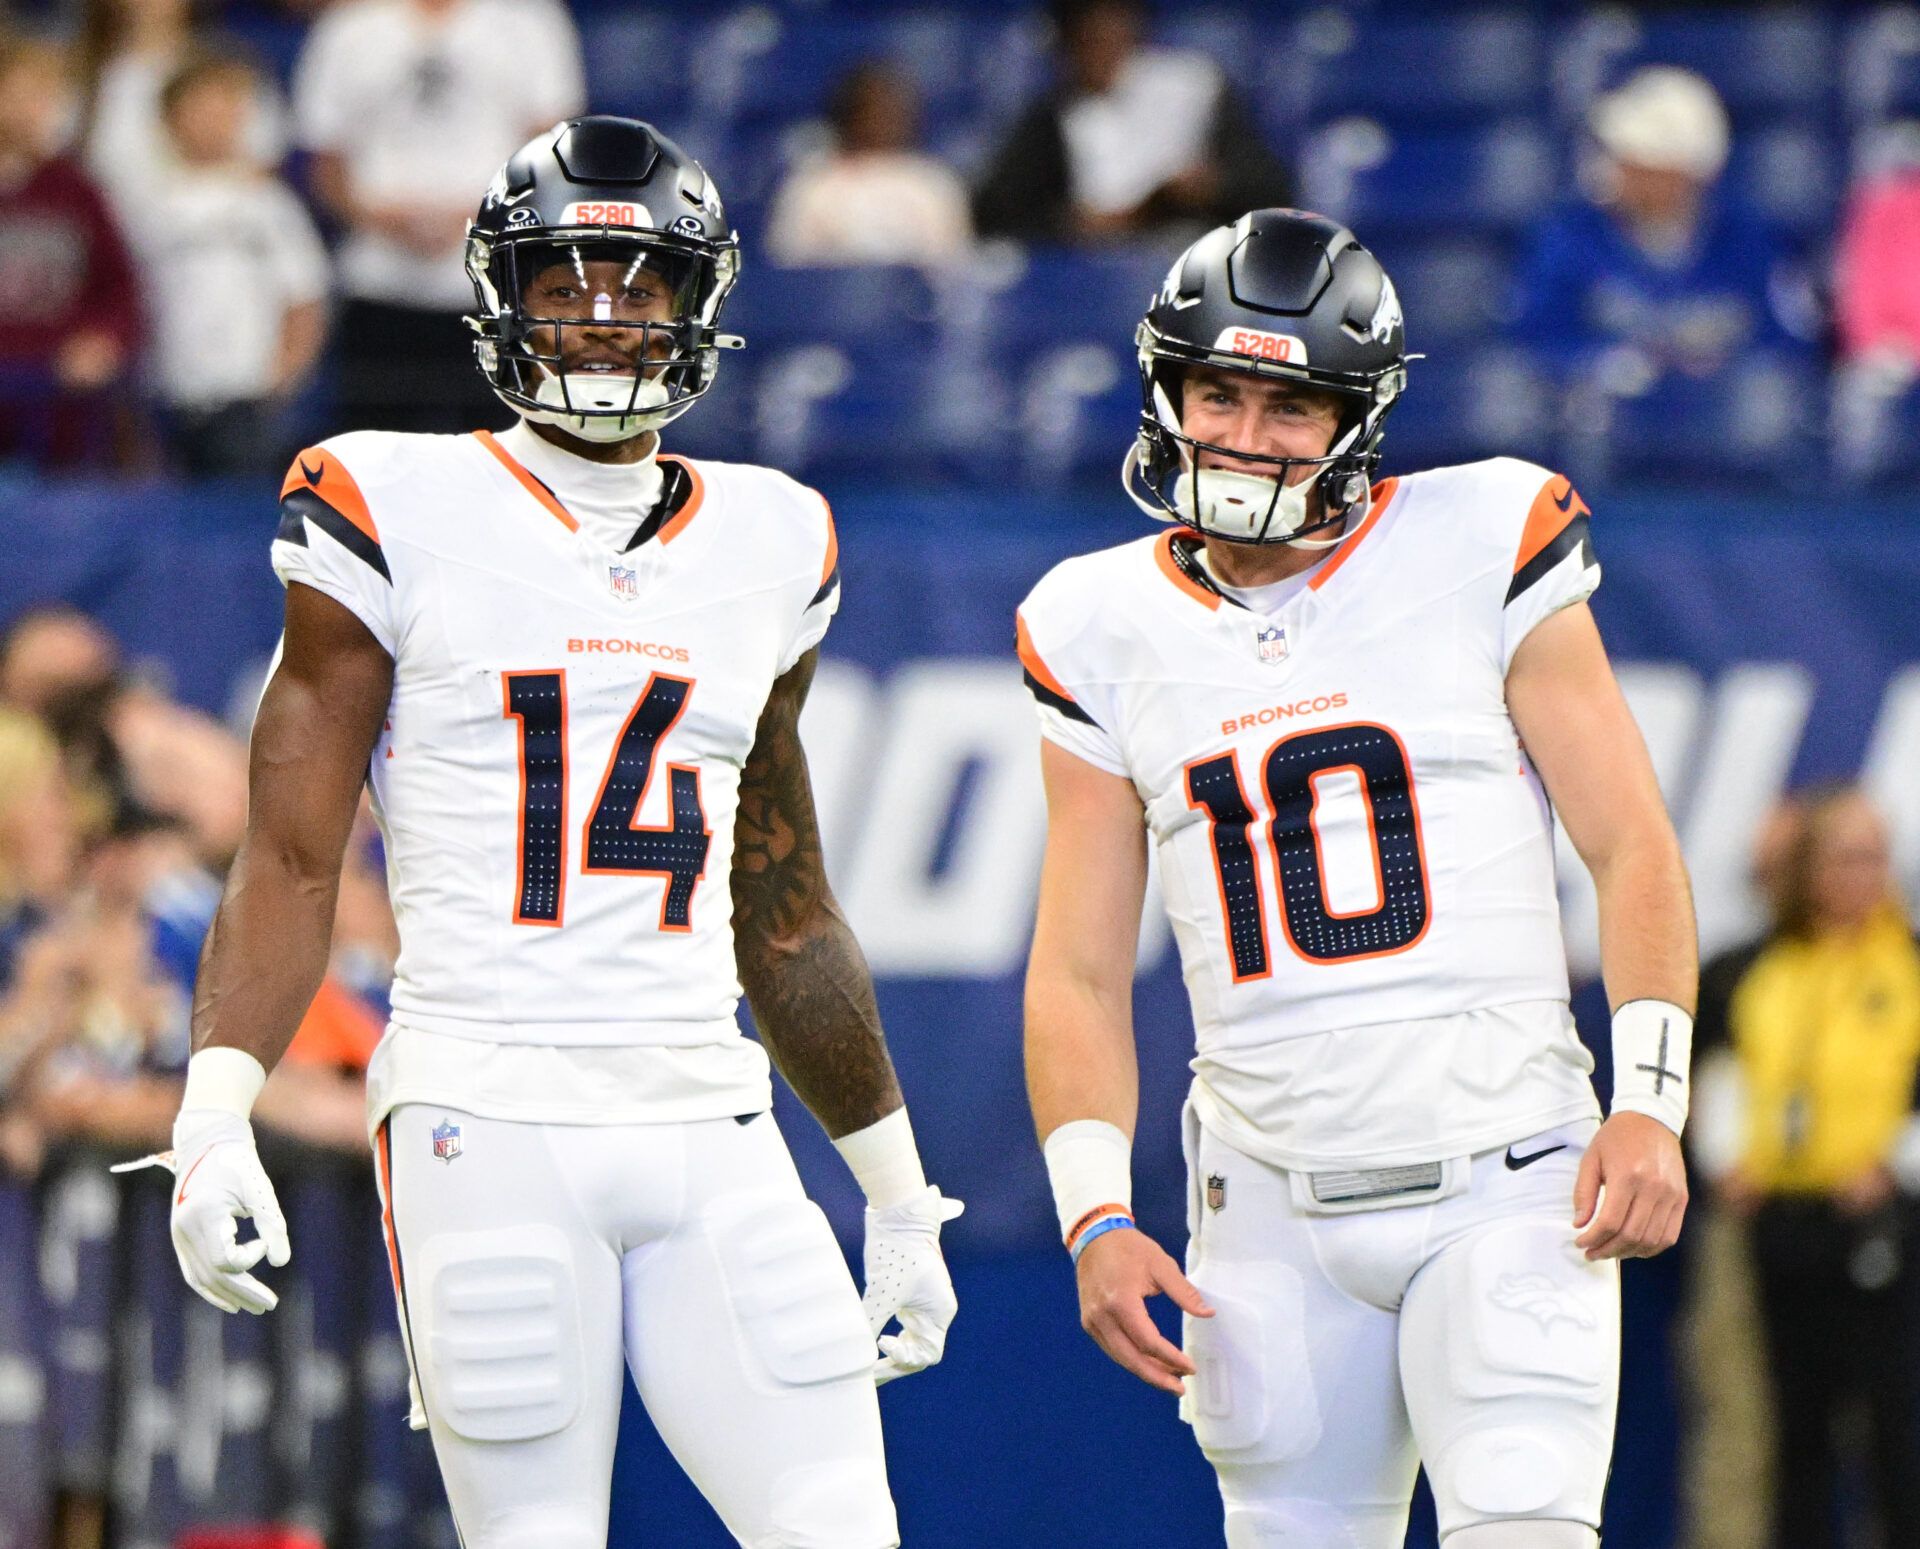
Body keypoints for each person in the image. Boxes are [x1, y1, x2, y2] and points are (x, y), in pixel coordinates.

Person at [129, 117, 960, 1549]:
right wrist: (212, 1113)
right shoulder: (391, 500)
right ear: (499, 292)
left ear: (696, 305)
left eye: (639, 280)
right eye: (566, 274)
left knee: (843, 1528)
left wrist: (895, 1190)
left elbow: (786, 903)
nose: (601, 310)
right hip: (484, 1111)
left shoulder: (776, 538)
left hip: (712, 1110)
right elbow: (289, 855)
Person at [1019, 209, 1695, 1547]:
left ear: (1357, 418)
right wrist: (1092, 1210)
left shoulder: (1481, 533)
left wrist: (1654, 1102)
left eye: (1292, 405)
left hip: (1511, 1174)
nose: (1248, 437)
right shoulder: (1094, 621)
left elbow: (1633, 846)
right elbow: (1080, 967)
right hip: (1267, 1199)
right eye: (1220, 392)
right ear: (1168, 388)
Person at [1712, 786, 1920, 1549]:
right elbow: (1722, 1066)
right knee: (1794, 1428)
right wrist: (1727, 1159)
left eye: (1875, 856)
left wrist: (1894, 1164)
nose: (1863, 873)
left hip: (1888, 1226)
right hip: (1783, 1227)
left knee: (1898, 1426)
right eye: (1845, 856)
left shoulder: (1907, 960)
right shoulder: (1758, 966)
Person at [289, 0, 583, 435]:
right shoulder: (349, 28)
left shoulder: (528, 21)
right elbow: (324, 158)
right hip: (379, 284)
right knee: (377, 458)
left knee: (504, 458)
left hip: (495, 283)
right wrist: (379, 218)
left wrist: (477, 218)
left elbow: (552, 151)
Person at [1512, 66, 1808, 379]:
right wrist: (1615, 362)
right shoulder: (1569, 236)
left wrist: (1716, 367)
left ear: (1686, 173)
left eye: (1641, 161)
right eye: (1621, 156)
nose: (1620, 171)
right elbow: (1534, 341)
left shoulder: (1750, 241)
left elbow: (1786, 352)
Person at [126, 48, 328, 476]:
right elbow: (129, 293)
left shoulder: (268, 203)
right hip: (165, 393)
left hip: (245, 398)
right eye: (199, 110)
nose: (212, 123)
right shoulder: (146, 205)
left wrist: (279, 381)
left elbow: (305, 298)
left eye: (225, 109)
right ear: (168, 120)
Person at [973, 0, 1289, 245]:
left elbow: (1270, 189)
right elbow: (996, 210)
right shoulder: (1054, 115)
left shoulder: (1193, 89)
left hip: (1189, 260)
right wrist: (1071, 224)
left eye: (1117, 29)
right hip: (1093, 275)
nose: (1106, 47)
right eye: (1090, 37)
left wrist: (1211, 188)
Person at [0, 32, 144, 469]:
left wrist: (103, 341)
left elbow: (119, 289)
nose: (37, 108)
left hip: (55, 406)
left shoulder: (76, 191)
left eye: (47, 95)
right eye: (23, 92)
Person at [766, 60, 973, 268]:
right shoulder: (812, 185)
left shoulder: (933, 184)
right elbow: (790, 265)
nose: (882, 120)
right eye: (872, 109)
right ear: (848, 114)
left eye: (891, 110)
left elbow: (954, 268)